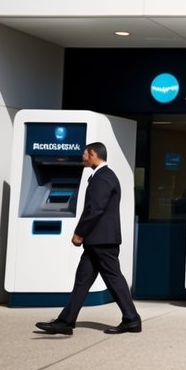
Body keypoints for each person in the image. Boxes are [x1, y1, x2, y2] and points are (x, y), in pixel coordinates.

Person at [34, 142, 141, 336]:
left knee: (114, 279)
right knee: (82, 281)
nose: (82, 156)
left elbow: (95, 209)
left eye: (85, 153)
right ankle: (65, 322)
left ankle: (131, 319)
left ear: (93, 154)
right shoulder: (101, 176)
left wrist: (80, 232)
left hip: (102, 240)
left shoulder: (103, 177)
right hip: (97, 241)